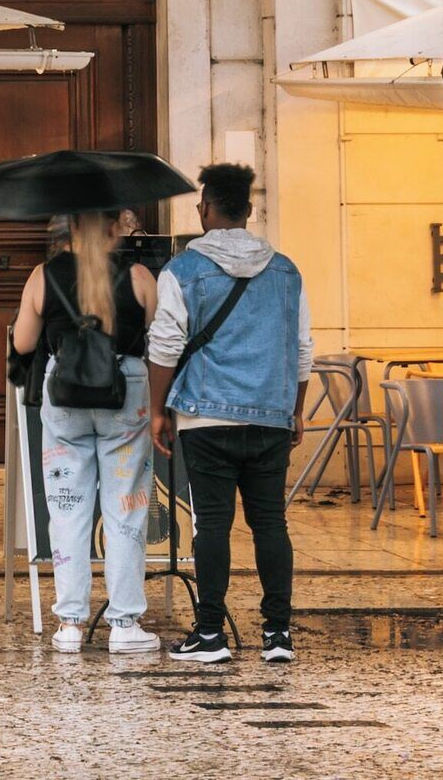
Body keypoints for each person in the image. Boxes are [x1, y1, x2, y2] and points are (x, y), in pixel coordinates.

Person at [145, 162, 309, 666]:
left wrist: (157, 411)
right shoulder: (286, 270)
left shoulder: (181, 271)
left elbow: (165, 344)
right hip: (270, 414)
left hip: (205, 416)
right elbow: (303, 349)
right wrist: (295, 411)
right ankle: (278, 634)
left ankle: (210, 632)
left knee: (211, 524)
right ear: (249, 211)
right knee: (270, 524)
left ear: (205, 209)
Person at [15, 208, 162, 654]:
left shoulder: (44, 275)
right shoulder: (139, 276)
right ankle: (123, 624)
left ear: (71, 226)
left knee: (67, 512)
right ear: (116, 227)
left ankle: (70, 625)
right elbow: (164, 337)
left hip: (66, 395)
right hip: (125, 395)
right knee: (126, 509)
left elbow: (23, 343)